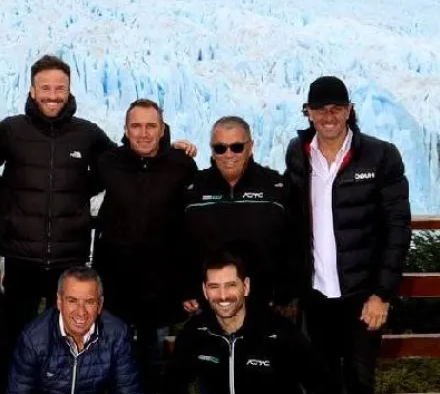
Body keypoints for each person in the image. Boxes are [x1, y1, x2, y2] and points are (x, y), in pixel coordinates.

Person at [0, 55, 116, 376]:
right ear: (32, 91)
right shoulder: (11, 130)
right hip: (19, 257)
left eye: (60, 88)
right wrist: (1, 203)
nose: (53, 95)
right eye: (45, 88)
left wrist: (79, 190)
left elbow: (118, 165)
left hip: (68, 257)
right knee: (15, 339)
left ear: (70, 91)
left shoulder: (87, 134)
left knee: (68, 338)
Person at [284, 76, 411, 394]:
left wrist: (382, 294)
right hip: (316, 299)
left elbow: (398, 227)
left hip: (362, 298)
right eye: (320, 109)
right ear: (308, 113)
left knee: (359, 383)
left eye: (337, 108)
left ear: (350, 110)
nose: (329, 116)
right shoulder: (298, 155)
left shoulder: (380, 156)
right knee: (318, 382)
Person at [94, 98, 197, 393]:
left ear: (162, 129)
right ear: (126, 129)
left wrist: (188, 283)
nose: (144, 133)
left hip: (161, 287)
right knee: (115, 361)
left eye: (151, 126)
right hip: (116, 287)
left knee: (155, 364)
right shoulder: (109, 162)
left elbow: (194, 225)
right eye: (136, 126)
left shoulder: (181, 165)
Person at [164, 251, 336, 394]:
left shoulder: (279, 332)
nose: (223, 296)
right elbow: (171, 385)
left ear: (245, 286)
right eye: (214, 286)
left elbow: (322, 385)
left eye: (231, 285)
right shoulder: (195, 332)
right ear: (204, 290)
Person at [182, 116, 295, 314]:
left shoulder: (276, 188)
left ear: (250, 147)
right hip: (210, 306)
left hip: (266, 307)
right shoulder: (194, 190)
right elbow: (179, 244)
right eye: (220, 148)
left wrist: (285, 293)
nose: (228, 154)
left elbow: (294, 243)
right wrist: (188, 289)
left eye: (236, 147)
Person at [7, 266, 141, 394]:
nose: (81, 312)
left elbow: (128, 389)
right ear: (59, 302)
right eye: (72, 301)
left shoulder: (117, 334)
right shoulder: (33, 339)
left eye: (89, 302)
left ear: (100, 305)